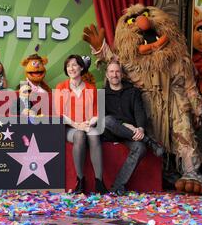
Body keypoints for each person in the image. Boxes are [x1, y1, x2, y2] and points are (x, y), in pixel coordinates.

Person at [103, 60, 165, 195]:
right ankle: (148, 141)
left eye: (117, 71)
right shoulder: (101, 93)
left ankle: (117, 186)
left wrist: (141, 128)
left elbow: (139, 112)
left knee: (140, 148)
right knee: (107, 120)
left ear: (122, 74)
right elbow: (102, 116)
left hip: (129, 134)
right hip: (111, 132)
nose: (115, 74)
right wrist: (123, 125)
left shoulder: (133, 92)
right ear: (107, 75)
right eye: (111, 72)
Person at [54, 55, 107, 194]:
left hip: (87, 125)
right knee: (79, 135)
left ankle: (99, 181)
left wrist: (88, 123)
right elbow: (60, 114)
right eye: (68, 66)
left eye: (74, 65)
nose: (71, 68)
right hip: (70, 128)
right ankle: (80, 180)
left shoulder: (91, 88)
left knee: (94, 135)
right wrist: (78, 125)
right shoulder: (61, 87)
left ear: (81, 67)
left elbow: (97, 113)